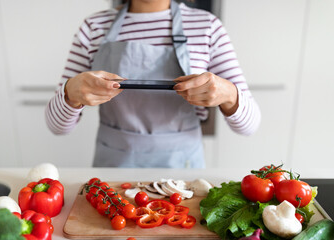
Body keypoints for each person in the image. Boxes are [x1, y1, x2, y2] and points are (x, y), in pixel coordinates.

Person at [45, 0, 261, 168]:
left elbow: (249, 126)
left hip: (183, 170)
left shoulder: (207, 27)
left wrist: (230, 94)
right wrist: (69, 93)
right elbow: (56, 127)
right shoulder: (93, 27)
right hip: (113, 169)